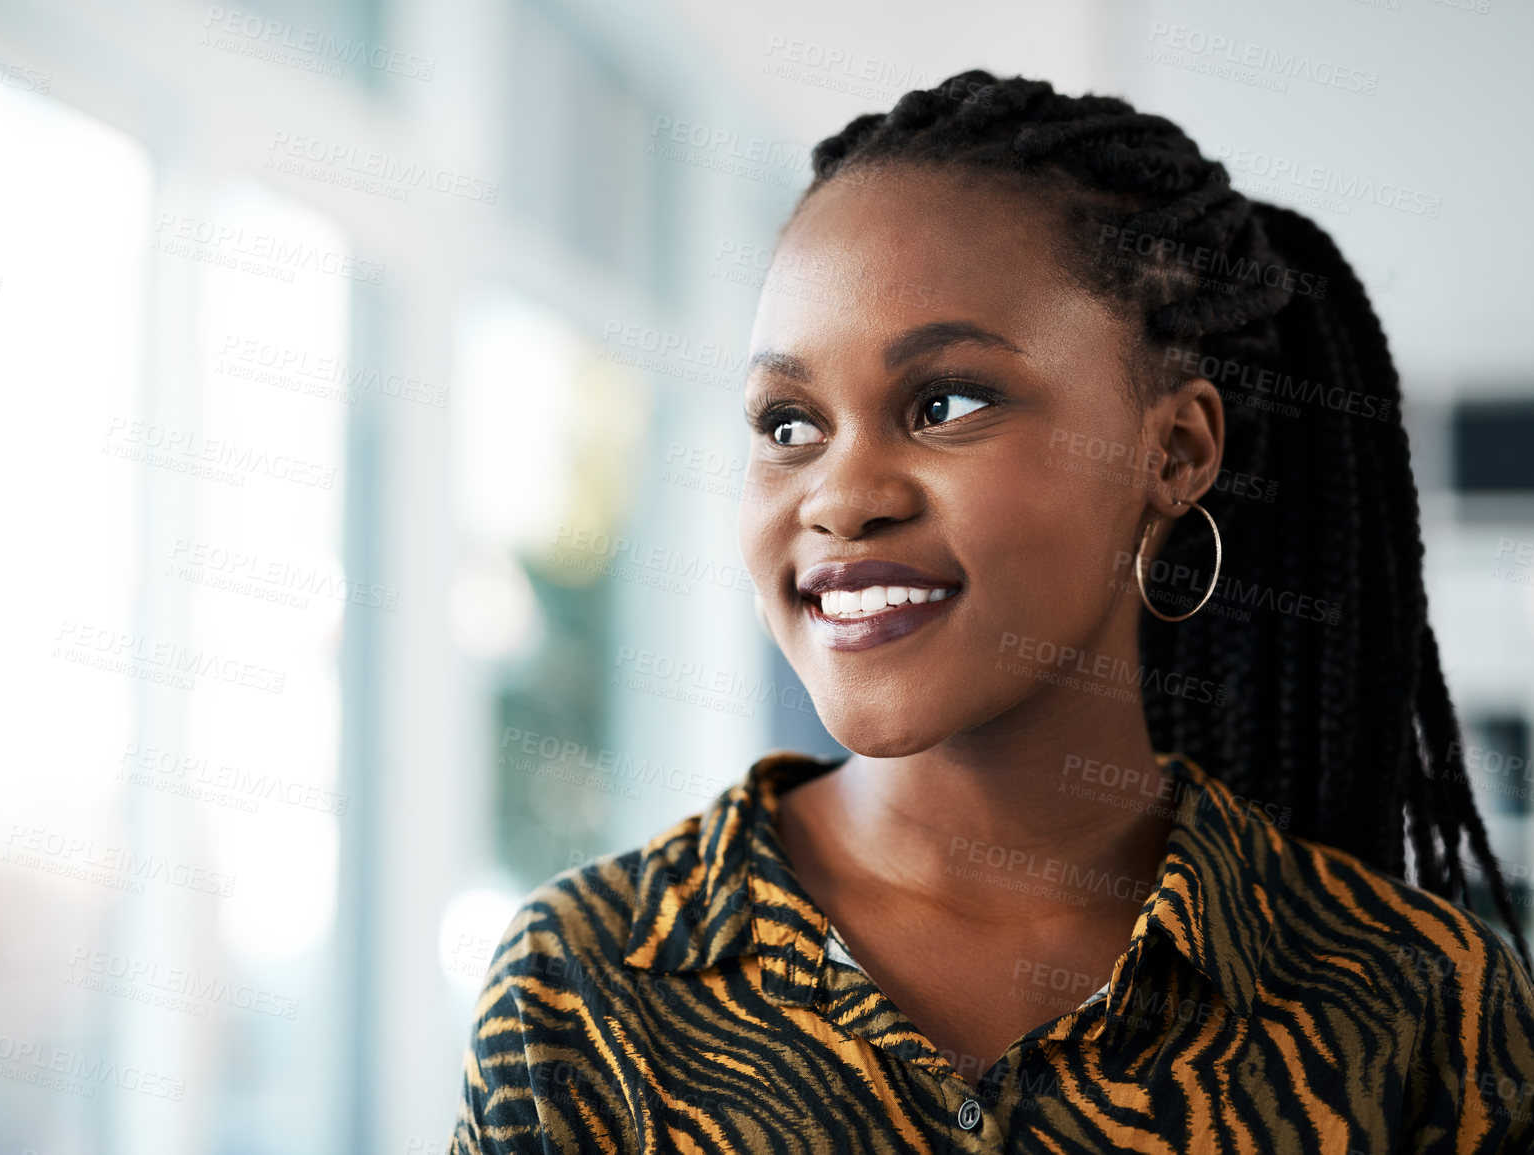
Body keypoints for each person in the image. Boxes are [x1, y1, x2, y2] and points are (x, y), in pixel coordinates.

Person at [448, 70, 1534, 1153]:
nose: (840, 495)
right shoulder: (583, 988)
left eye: (945, 404)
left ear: (1175, 452)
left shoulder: (1421, 1004)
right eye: (788, 422)